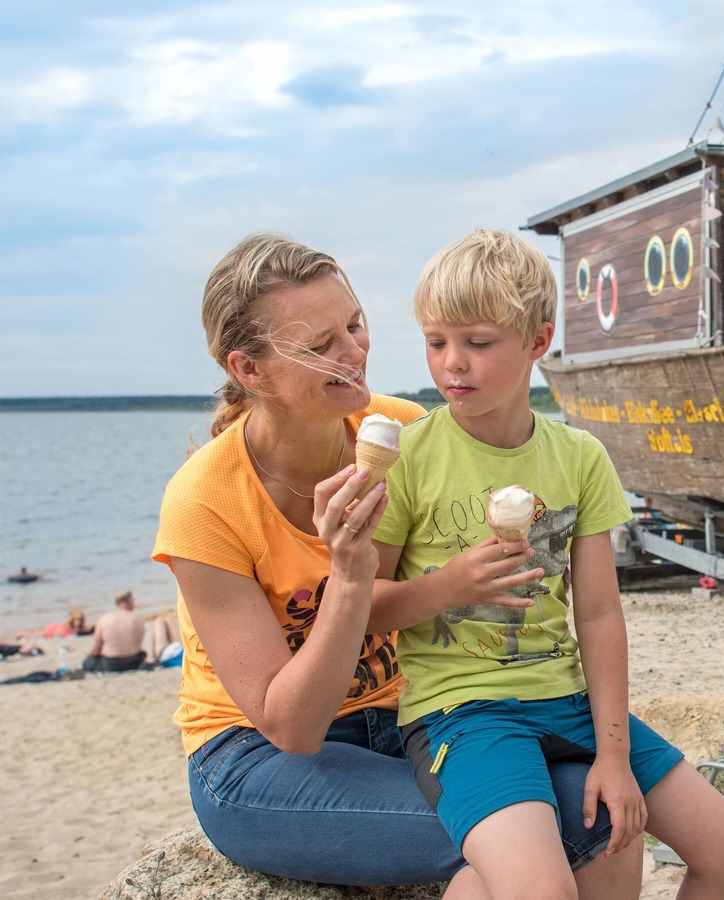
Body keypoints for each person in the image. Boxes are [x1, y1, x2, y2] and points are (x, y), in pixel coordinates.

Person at [153, 234, 638, 893]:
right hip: (255, 759)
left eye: (354, 325)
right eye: (320, 346)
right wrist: (351, 578)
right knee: (511, 842)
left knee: (600, 816)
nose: (354, 353)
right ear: (250, 371)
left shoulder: (402, 430)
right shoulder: (204, 504)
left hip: (409, 718)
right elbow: (292, 726)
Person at [371, 228, 724, 900]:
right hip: (463, 711)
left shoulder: (578, 458)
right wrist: (447, 586)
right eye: (436, 342)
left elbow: (600, 615)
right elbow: (362, 607)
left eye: (477, 343)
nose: (451, 364)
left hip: (569, 699)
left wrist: (613, 755)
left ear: (538, 342)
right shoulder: (410, 456)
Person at [82, 591, 147, 673]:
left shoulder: (104, 619)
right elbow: (139, 644)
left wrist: (89, 655)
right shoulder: (139, 619)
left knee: (87, 662)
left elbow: (96, 650)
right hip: (135, 662)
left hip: (112, 664)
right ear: (129, 601)